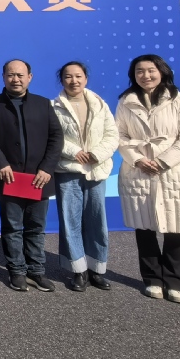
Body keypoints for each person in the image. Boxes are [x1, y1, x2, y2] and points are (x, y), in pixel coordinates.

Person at [115, 54, 180, 304]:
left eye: (150, 70)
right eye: (139, 71)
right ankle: (152, 279)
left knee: (176, 226)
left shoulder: (176, 99)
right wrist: (137, 159)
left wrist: (164, 160)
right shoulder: (126, 101)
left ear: (162, 72)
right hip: (139, 171)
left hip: (173, 171)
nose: (145, 75)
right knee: (144, 228)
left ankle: (177, 283)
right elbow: (119, 135)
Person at [0, 59, 64, 292]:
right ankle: (17, 271)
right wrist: (0, 163)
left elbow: (56, 138)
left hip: (38, 178)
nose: (16, 79)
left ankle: (36, 271)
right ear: (3, 77)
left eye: (20, 75)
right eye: (11, 75)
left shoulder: (43, 104)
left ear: (29, 77)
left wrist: (47, 168)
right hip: (9, 178)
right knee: (12, 227)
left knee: (36, 227)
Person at [52, 61, 119, 292]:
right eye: (68, 76)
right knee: (70, 221)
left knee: (96, 221)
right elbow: (54, 137)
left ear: (86, 78)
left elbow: (112, 135)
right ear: (62, 80)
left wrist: (96, 154)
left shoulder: (100, 105)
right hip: (68, 170)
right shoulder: (54, 107)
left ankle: (97, 270)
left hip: (96, 169)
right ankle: (78, 270)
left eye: (78, 76)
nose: (74, 81)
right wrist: (75, 152)